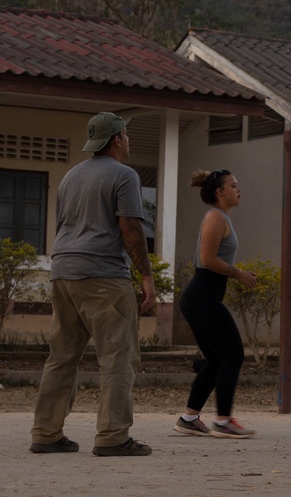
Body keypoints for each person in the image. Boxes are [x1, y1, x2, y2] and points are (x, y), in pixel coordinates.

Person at [30, 112, 155, 457]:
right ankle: (113, 436)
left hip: (63, 271)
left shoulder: (71, 175)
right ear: (116, 139)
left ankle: (45, 432)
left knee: (62, 356)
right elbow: (130, 228)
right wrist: (146, 276)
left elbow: (65, 225)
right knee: (117, 357)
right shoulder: (125, 175)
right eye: (127, 135)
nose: (128, 141)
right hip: (103, 274)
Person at [173, 169, 258, 439]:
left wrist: (237, 272)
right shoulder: (215, 217)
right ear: (220, 192)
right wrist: (238, 273)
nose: (238, 189)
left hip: (203, 298)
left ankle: (189, 418)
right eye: (233, 185)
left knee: (216, 359)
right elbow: (207, 259)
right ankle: (223, 421)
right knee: (233, 356)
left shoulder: (223, 218)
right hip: (201, 298)